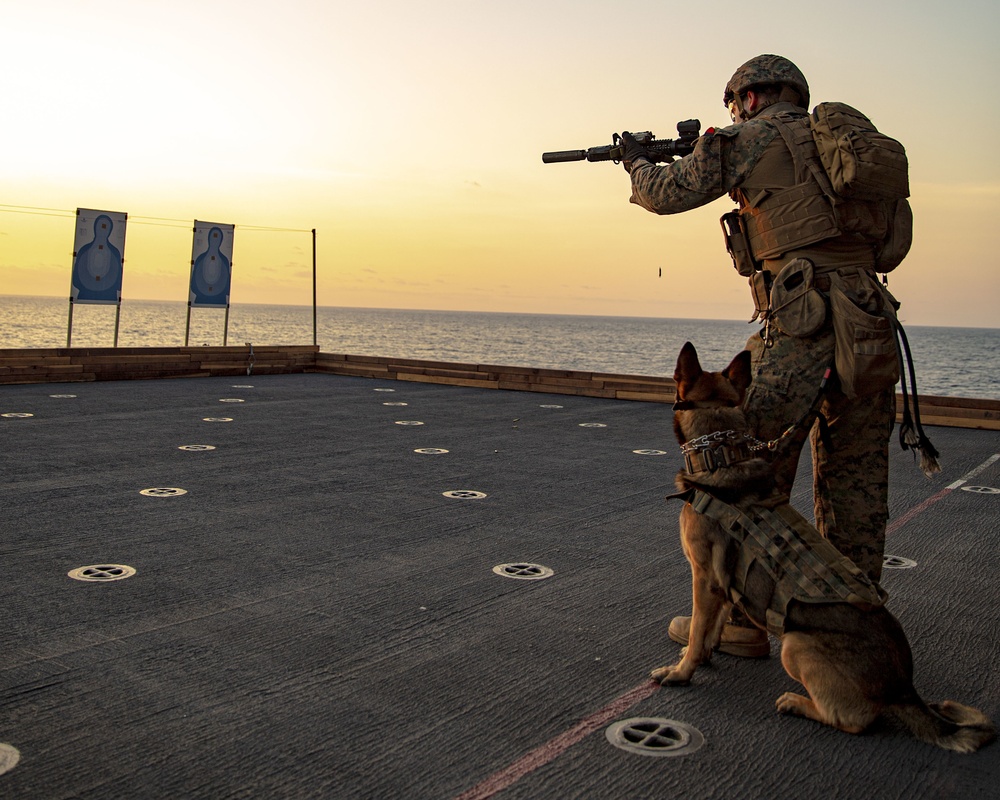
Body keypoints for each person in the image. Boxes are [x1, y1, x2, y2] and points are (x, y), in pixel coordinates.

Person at [621, 55, 909, 657]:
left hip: (802, 324)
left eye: (734, 104)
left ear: (750, 98)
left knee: (740, 468)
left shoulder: (751, 137)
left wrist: (637, 163)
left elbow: (667, 194)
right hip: (869, 327)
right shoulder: (841, 151)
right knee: (855, 483)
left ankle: (746, 619)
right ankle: (851, 625)